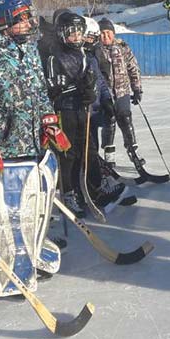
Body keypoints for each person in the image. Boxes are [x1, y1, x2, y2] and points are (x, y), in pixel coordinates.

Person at [0, 0, 68, 296]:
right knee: (12, 215)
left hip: (35, 143)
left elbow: (39, 88)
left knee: (39, 206)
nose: (31, 21)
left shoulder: (29, 48)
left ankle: (34, 253)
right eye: (23, 17)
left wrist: (48, 118)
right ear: (4, 20)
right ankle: (9, 272)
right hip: (9, 147)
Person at [44, 11, 99, 217]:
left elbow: (89, 81)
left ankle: (86, 188)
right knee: (68, 154)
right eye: (71, 33)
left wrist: (89, 93)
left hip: (80, 110)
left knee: (87, 150)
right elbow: (52, 89)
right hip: (64, 110)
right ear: (61, 34)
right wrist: (76, 89)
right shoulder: (53, 56)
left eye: (79, 33)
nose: (76, 37)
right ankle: (68, 192)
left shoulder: (83, 55)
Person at [82, 17, 133, 210]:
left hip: (97, 107)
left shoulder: (93, 55)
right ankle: (88, 189)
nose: (96, 39)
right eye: (93, 36)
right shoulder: (80, 55)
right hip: (81, 111)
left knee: (92, 150)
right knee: (88, 151)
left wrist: (105, 99)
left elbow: (100, 81)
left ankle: (100, 184)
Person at [95, 17, 146, 171]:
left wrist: (137, 89)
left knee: (126, 120)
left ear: (114, 33)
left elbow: (133, 68)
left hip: (122, 92)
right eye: (102, 33)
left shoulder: (123, 47)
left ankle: (133, 152)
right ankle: (109, 156)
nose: (106, 36)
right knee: (108, 123)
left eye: (108, 33)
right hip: (105, 95)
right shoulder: (96, 50)